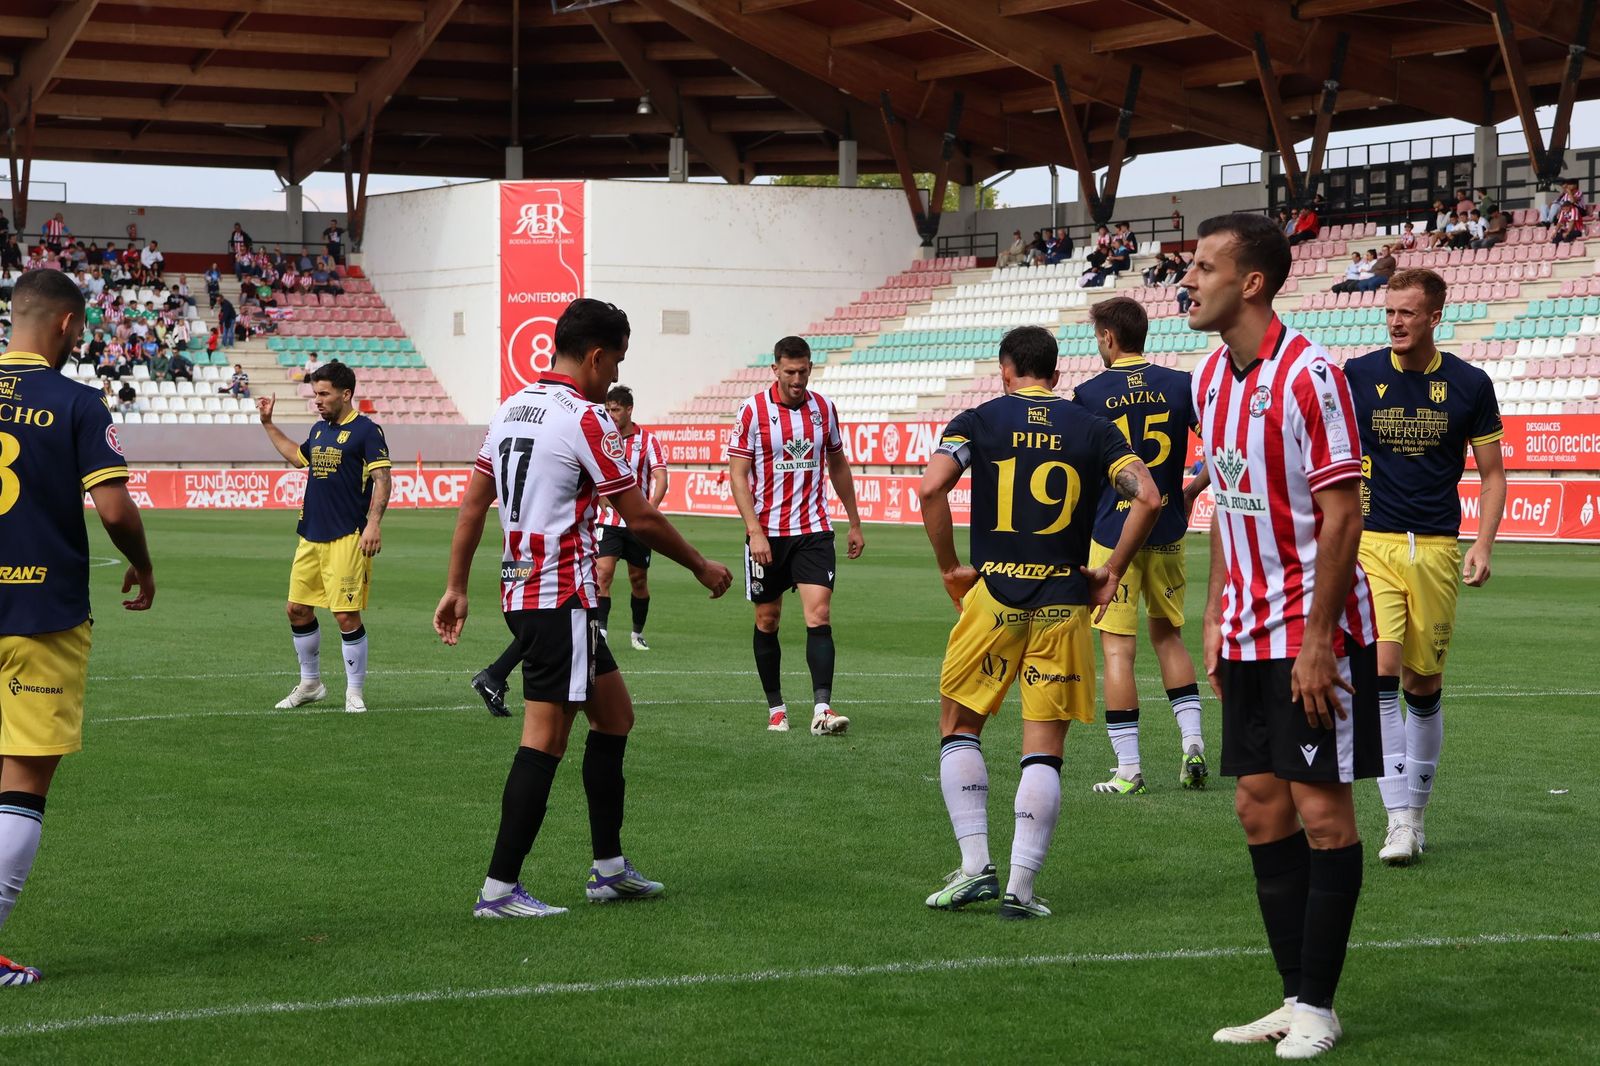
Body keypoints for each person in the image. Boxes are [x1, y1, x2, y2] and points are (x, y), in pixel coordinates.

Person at [432, 298, 732, 919]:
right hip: (559, 596)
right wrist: (701, 565)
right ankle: (499, 890)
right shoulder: (586, 418)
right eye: (616, 358)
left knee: (615, 716)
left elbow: (471, 506)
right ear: (596, 356)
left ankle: (608, 869)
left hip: (525, 587)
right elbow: (640, 514)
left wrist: (457, 585)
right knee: (544, 739)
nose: (614, 372)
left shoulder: (511, 407)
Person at [1181, 212, 1378, 1057]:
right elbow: (1230, 509)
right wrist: (1221, 614)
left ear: (1251, 281)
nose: (1186, 280)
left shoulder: (1312, 378)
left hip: (1312, 637)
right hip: (1250, 631)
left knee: (1323, 816)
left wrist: (1318, 640)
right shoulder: (1207, 382)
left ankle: (1321, 1009)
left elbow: (1343, 517)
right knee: (1260, 811)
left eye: (1203, 266)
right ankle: (1293, 996)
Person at [918, 324, 1159, 919]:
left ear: (1006, 370)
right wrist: (1111, 569)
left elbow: (930, 490)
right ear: (1056, 373)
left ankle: (976, 867)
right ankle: (1020, 890)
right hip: (1063, 601)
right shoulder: (1092, 428)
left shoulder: (979, 420)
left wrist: (951, 568)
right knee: (1043, 751)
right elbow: (1149, 497)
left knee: (959, 725)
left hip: (995, 593)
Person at [0, 268, 155, 988]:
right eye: (82, 329)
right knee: (23, 781)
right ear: (65, 324)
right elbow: (116, 510)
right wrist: (143, 566)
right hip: (42, 612)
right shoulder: (74, 401)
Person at [1342, 269, 1505, 866]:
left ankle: (1416, 812)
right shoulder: (1358, 376)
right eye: (1390, 311)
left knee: (1423, 686)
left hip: (1435, 548)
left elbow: (1492, 476)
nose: (1396, 322)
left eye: (1408, 313)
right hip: (1372, 546)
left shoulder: (1469, 384)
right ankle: (1397, 821)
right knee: (1380, 672)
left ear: (1435, 316)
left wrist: (1482, 545)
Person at [1071, 297, 1209, 795]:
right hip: (1169, 531)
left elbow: (1082, 474)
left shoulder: (1087, 394)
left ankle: (1129, 769)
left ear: (1108, 337)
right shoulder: (1181, 386)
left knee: (1117, 652)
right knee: (1169, 638)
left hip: (1113, 540)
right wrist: (1191, 490)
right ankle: (1192, 744)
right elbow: (1220, 445)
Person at [469, 383, 669, 717]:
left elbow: (658, 477)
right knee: (597, 580)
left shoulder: (644, 441)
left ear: (629, 409)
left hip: (546, 569)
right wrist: (699, 565)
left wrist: (649, 505)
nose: (611, 412)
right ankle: (499, 673)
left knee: (637, 582)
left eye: (617, 408)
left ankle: (633, 632)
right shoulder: (585, 422)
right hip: (571, 563)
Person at [729, 336, 865, 736]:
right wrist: (754, 530)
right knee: (767, 619)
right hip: (767, 533)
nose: (798, 379)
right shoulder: (752, 411)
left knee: (819, 615)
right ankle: (776, 708)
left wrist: (854, 520)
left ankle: (822, 709)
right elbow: (738, 473)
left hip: (813, 531)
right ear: (775, 369)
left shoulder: (824, 409)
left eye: (804, 371)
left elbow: (838, 464)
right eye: (790, 372)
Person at [256, 361, 390, 714]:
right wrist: (268, 424)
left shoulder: (366, 431)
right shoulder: (318, 431)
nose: (317, 400)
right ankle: (311, 684)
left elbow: (382, 479)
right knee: (297, 609)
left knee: (346, 616)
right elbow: (295, 457)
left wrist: (374, 523)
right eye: (315, 393)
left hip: (347, 536)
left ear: (345, 394)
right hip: (310, 535)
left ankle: (355, 692)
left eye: (323, 393)